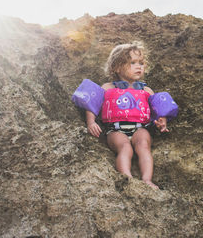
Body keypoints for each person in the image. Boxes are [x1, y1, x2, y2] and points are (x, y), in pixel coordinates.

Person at [74, 42, 178, 189]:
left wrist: (162, 122)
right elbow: (92, 104)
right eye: (132, 63)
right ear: (116, 67)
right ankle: (127, 178)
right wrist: (91, 122)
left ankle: (147, 179)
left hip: (140, 128)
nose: (138, 66)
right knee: (125, 148)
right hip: (115, 130)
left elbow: (158, 111)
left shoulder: (147, 90)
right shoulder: (107, 87)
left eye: (141, 63)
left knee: (143, 145)